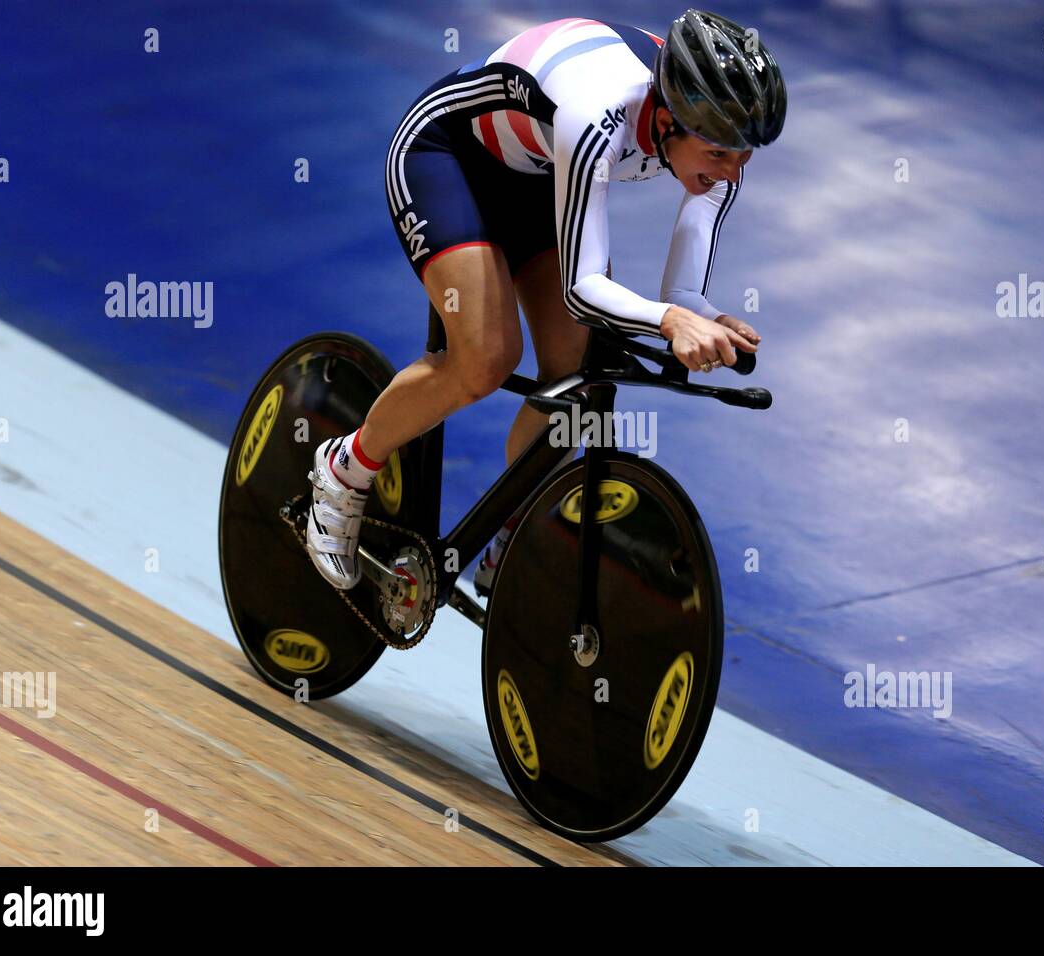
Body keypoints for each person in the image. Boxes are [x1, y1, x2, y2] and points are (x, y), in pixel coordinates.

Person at [305, 9, 787, 592]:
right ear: (667, 121)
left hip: (538, 173)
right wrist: (671, 321)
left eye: (744, 156)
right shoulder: (598, 108)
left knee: (579, 373)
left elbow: (680, 294)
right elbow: (583, 289)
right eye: (718, 155)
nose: (732, 173)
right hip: (448, 157)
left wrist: (703, 317)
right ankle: (345, 468)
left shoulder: (719, 137)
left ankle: (510, 529)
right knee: (486, 359)